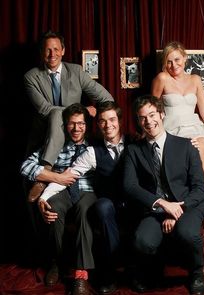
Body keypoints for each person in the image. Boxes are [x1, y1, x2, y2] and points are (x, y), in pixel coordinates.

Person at [123, 95, 204, 294]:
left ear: (162, 114)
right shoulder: (133, 151)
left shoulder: (185, 145)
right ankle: (153, 268)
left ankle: (196, 272)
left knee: (187, 233)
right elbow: (129, 186)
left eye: (152, 114)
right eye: (142, 117)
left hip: (187, 204)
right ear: (138, 121)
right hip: (154, 208)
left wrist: (177, 208)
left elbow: (200, 187)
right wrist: (162, 204)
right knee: (142, 241)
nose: (149, 121)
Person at [40, 101, 131, 294]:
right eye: (103, 121)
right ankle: (86, 273)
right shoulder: (92, 152)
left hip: (134, 201)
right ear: (98, 125)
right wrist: (44, 196)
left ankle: (138, 270)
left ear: (120, 121)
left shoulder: (135, 142)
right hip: (107, 202)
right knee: (98, 208)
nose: (108, 125)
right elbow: (69, 174)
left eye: (112, 119)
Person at [24, 30, 114, 202]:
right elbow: (46, 109)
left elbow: (106, 98)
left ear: (63, 50)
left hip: (75, 138)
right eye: (48, 50)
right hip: (43, 140)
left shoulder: (76, 72)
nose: (52, 54)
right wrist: (84, 111)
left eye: (56, 49)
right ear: (42, 52)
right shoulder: (31, 77)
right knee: (33, 201)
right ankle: (46, 170)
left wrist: (102, 117)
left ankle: (45, 174)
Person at [21, 103, 96, 295]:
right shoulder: (55, 145)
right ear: (65, 125)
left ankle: (81, 275)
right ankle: (57, 263)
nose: (76, 128)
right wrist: (56, 177)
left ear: (87, 125)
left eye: (81, 124)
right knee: (53, 207)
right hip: (59, 189)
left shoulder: (95, 145)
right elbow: (25, 167)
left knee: (85, 210)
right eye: (72, 124)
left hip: (87, 190)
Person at [151, 41, 204, 193]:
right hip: (174, 129)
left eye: (177, 59)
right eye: (169, 61)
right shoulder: (162, 78)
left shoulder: (195, 79)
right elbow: (151, 107)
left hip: (196, 127)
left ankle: (202, 210)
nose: (173, 65)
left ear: (185, 58)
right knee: (203, 147)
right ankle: (186, 197)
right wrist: (150, 135)